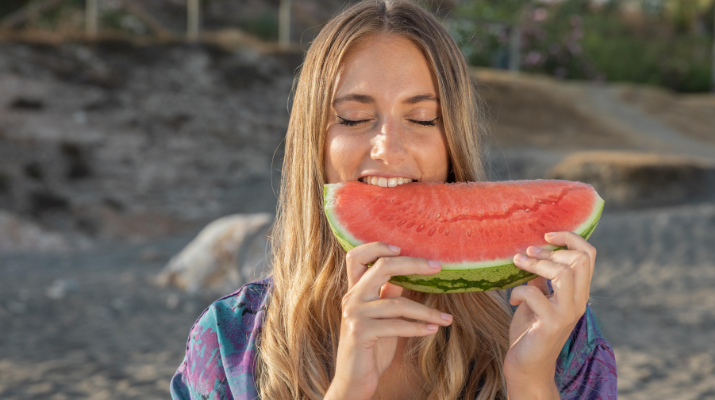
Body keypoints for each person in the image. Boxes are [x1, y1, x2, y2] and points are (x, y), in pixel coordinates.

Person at [170, 1, 616, 399]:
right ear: (314, 142)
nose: (388, 147)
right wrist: (347, 390)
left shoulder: (553, 329)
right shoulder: (228, 343)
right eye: (354, 117)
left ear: (453, 140)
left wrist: (531, 381)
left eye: (422, 118)